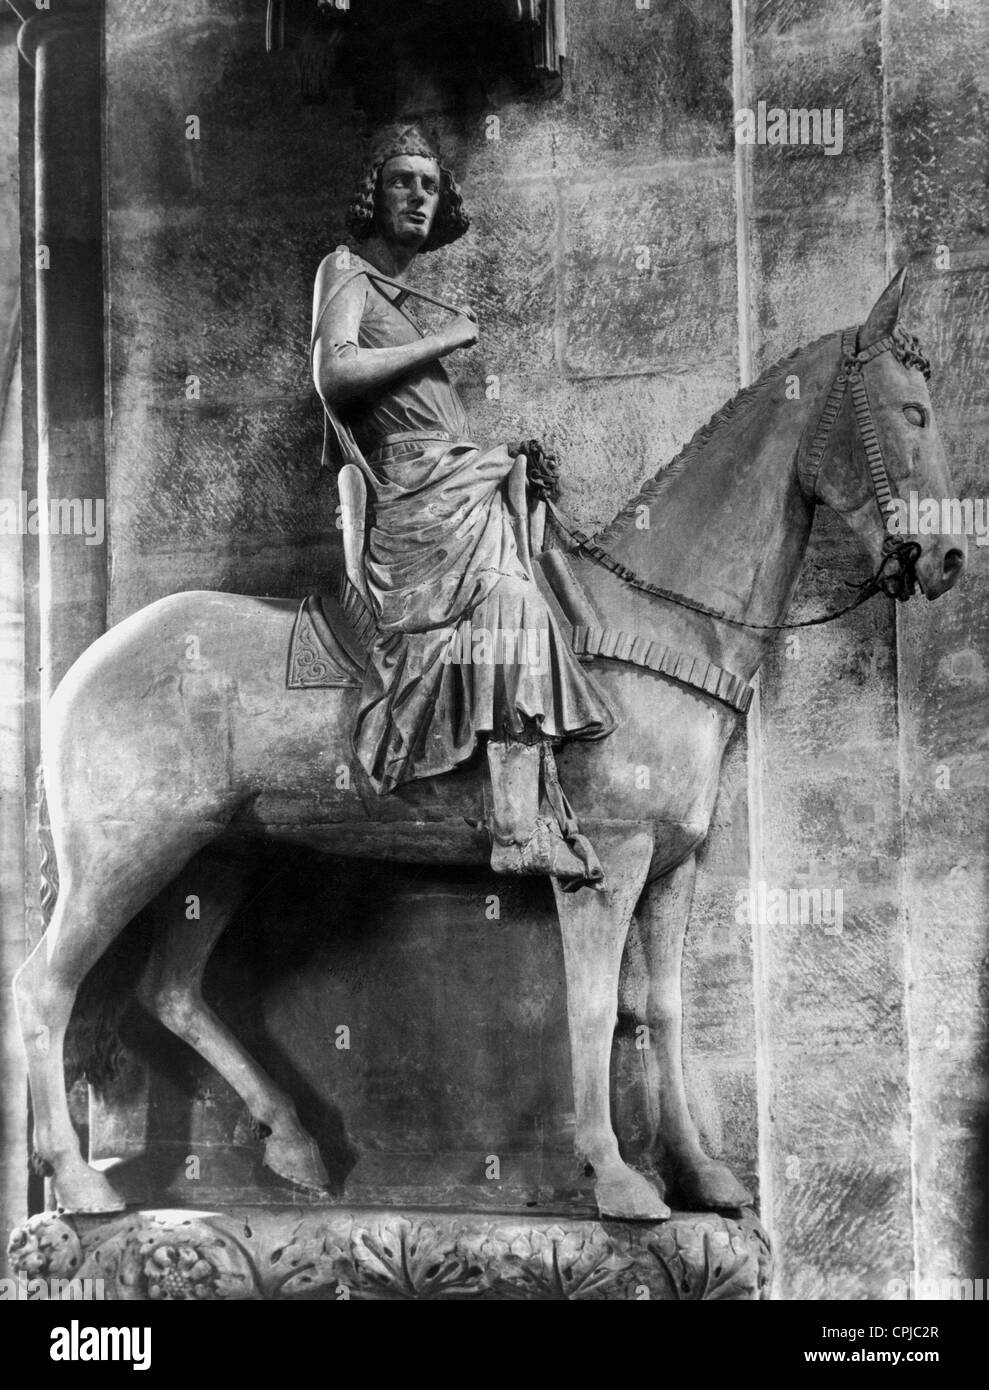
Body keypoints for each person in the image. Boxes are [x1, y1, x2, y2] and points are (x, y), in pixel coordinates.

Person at [310, 123, 615, 884]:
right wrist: (439, 344)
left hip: (452, 485)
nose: (417, 195)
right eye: (401, 181)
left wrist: (504, 462)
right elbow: (335, 375)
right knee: (510, 602)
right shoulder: (344, 270)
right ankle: (515, 833)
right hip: (411, 497)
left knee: (530, 598)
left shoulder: (403, 293)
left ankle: (542, 806)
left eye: (429, 185)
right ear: (373, 197)